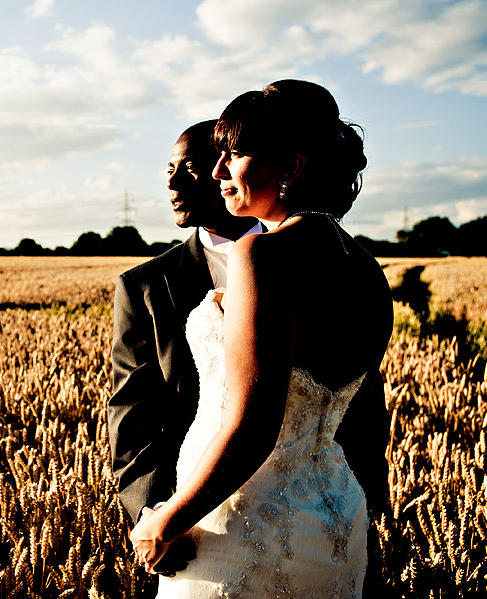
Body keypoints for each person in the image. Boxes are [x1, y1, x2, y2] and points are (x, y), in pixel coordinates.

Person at [126, 80, 393, 598]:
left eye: (235, 154)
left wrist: (169, 519)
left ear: (291, 168)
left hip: (240, 522)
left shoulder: (259, 256)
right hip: (335, 514)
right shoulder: (364, 267)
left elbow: (253, 426)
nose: (218, 170)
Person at [108, 119, 263, 575]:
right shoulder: (145, 286)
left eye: (189, 168)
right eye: (169, 169)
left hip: (301, 508)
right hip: (194, 527)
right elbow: (132, 415)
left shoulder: (315, 263)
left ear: (226, 168)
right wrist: (154, 512)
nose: (172, 182)